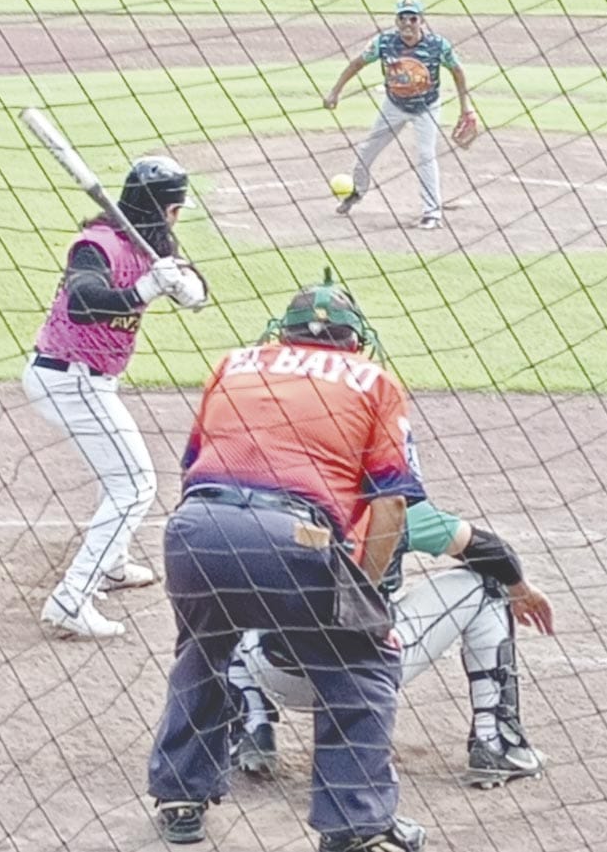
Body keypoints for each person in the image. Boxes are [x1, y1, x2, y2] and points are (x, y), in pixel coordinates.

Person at [148, 270, 430, 852]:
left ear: (286, 333)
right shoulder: (375, 381)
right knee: (362, 670)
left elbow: (193, 464)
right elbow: (392, 505)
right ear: (354, 340)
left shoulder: (235, 364)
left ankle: (180, 799)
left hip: (196, 530)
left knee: (203, 653)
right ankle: (354, 825)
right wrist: (362, 597)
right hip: (293, 536)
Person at [229, 499, 555, 789]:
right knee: (489, 585)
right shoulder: (394, 504)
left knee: (222, 578)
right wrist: (520, 588)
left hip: (272, 670)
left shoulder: (275, 492)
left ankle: (251, 725)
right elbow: (494, 553)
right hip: (363, 678)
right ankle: (496, 741)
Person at [23, 156, 207, 640]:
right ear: (167, 208)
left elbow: (199, 289)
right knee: (135, 484)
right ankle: (71, 600)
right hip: (67, 378)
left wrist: (185, 286)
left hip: (88, 380)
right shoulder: (97, 245)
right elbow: (84, 302)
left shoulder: (152, 245)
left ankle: (113, 563)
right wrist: (144, 289)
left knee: (120, 473)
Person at [324, 0, 473, 230]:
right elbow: (357, 64)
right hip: (394, 106)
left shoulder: (437, 45)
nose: (407, 23)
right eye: (402, 18)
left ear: (421, 20)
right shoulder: (384, 43)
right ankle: (357, 192)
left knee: (425, 155)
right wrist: (335, 92)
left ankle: (432, 213)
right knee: (366, 151)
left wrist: (466, 106)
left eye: (412, 18)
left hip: (427, 107)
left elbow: (457, 71)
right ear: (396, 20)